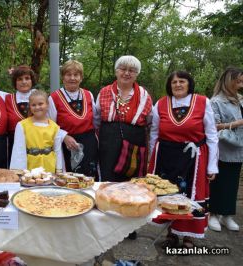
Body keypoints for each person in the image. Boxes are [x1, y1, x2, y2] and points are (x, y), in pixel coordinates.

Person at [148, 71, 218, 248]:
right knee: (168, 196)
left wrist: (212, 166)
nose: (178, 85)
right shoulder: (161, 104)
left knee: (190, 196)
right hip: (166, 156)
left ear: (189, 83)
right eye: (174, 82)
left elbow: (212, 135)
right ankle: (171, 234)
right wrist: (151, 159)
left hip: (193, 159)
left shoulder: (203, 102)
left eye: (182, 81)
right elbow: (154, 133)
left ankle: (189, 236)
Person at [96, 55, 152, 182]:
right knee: (108, 181)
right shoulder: (104, 92)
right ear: (116, 71)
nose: (127, 73)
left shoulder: (144, 96)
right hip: (108, 146)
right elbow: (96, 120)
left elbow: (150, 123)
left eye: (131, 70)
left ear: (136, 74)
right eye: (123, 69)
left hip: (134, 148)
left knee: (132, 183)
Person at [48, 60, 99, 178]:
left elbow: (96, 120)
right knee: (70, 179)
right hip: (67, 145)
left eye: (76, 75)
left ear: (81, 77)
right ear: (63, 77)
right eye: (68, 74)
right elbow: (50, 124)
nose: (72, 78)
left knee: (90, 177)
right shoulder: (54, 98)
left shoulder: (88, 94)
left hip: (89, 144)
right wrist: (64, 136)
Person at [208, 67, 243, 232]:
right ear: (230, 80)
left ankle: (227, 215)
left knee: (233, 183)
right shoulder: (216, 101)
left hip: (239, 149)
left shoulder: (241, 99)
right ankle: (213, 214)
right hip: (223, 149)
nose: (241, 82)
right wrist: (236, 123)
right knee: (219, 182)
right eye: (239, 79)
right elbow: (212, 126)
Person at [10, 90, 64, 173]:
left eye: (40, 104)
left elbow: (57, 151)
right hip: (30, 169)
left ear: (47, 105)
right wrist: (20, 173)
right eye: (33, 105)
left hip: (49, 168)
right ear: (30, 107)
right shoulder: (22, 125)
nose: (37, 107)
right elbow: (19, 151)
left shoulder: (54, 127)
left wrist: (59, 171)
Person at [6, 65, 36, 159]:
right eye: (20, 79)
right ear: (15, 82)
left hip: (37, 144)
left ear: (32, 81)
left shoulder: (40, 98)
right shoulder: (7, 99)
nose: (24, 82)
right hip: (15, 146)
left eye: (27, 78)